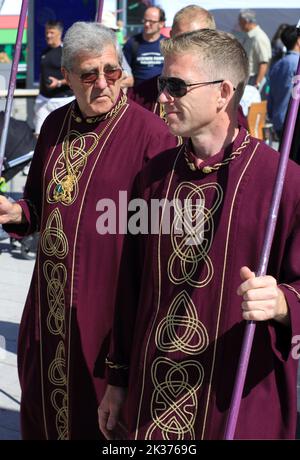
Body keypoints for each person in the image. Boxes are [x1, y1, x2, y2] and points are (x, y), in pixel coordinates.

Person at [99, 29, 300, 440]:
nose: (162, 97)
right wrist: (117, 381)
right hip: (153, 400)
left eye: (176, 86)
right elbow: (130, 288)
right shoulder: (153, 177)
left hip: (234, 402)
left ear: (223, 93)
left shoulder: (284, 181)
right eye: (161, 85)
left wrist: (282, 302)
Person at [0, 22, 177, 440]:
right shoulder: (54, 126)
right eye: (89, 75)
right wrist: (14, 213)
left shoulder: (152, 135)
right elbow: (39, 207)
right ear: (69, 76)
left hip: (110, 315)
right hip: (49, 311)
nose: (103, 83)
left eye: (111, 71)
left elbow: (168, 234)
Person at [33, 20, 74, 137]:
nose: (48, 35)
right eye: (47, 32)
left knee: (63, 136)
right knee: (39, 135)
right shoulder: (44, 52)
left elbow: (75, 76)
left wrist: (59, 83)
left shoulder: (66, 52)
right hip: (43, 100)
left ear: (59, 33)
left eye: (51, 32)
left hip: (63, 100)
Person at [268, 24, 300, 141]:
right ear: (298, 41)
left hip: (279, 119)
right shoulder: (297, 63)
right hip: (292, 120)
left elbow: (270, 93)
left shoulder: (278, 64)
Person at [123, 6, 166, 88]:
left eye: (151, 22)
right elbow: (124, 70)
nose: (146, 24)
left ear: (161, 24)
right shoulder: (132, 43)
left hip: (162, 96)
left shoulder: (167, 44)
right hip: (136, 97)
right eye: (145, 20)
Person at [238, 9, 271, 90]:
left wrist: (257, 84)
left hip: (254, 79)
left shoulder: (259, 37)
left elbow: (264, 63)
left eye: (240, 21)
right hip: (249, 78)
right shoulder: (250, 36)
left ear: (246, 21)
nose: (239, 24)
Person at [100, 11, 134, 89]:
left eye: (113, 31)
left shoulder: (116, 47)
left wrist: (111, 86)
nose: (111, 34)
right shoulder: (87, 51)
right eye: (108, 30)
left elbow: (130, 80)